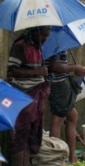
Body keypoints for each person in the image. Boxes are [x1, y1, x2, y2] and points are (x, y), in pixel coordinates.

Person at [7, 26, 51, 166]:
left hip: (36, 98)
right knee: (20, 138)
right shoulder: (21, 46)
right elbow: (11, 72)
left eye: (47, 36)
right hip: (23, 97)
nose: (45, 39)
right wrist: (36, 72)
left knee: (31, 138)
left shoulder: (37, 47)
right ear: (35, 32)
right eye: (43, 35)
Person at [45, 51, 85, 163]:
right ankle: (58, 158)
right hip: (57, 83)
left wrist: (74, 70)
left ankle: (69, 156)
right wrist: (75, 68)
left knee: (72, 115)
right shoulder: (56, 41)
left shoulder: (58, 42)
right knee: (58, 118)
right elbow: (55, 66)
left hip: (60, 82)